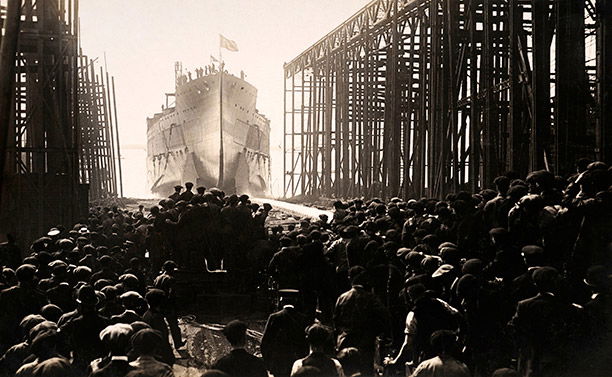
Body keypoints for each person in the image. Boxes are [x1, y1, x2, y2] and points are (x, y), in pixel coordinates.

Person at [333, 269, 390, 375]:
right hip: (365, 343)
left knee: (347, 370)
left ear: (350, 279)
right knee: (365, 371)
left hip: (345, 341)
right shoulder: (371, 298)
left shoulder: (342, 297)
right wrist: (375, 333)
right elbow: (384, 317)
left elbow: (336, 321)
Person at [261, 290, 309, 377]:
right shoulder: (303, 318)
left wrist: (269, 363)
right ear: (295, 301)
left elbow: (265, 343)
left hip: (278, 364)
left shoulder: (274, 317)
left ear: (281, 300)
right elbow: (306, 343)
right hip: (298, 363)